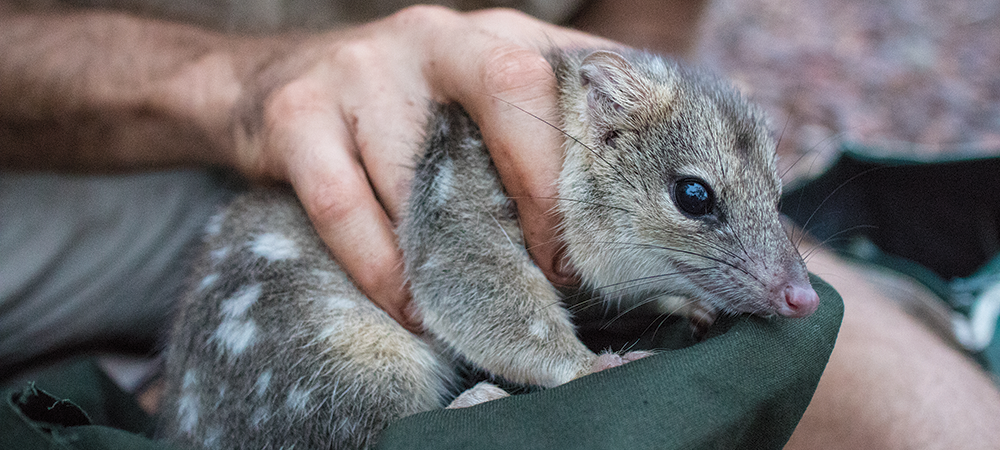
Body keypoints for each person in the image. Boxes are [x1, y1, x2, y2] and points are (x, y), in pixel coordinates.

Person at [2, 1, 999, 449]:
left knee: (937, 428)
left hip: (511, 128)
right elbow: (469, 277)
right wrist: (235, 82)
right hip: (72, 173)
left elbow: (647, 42)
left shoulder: (627, 157)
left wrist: (636, 86)